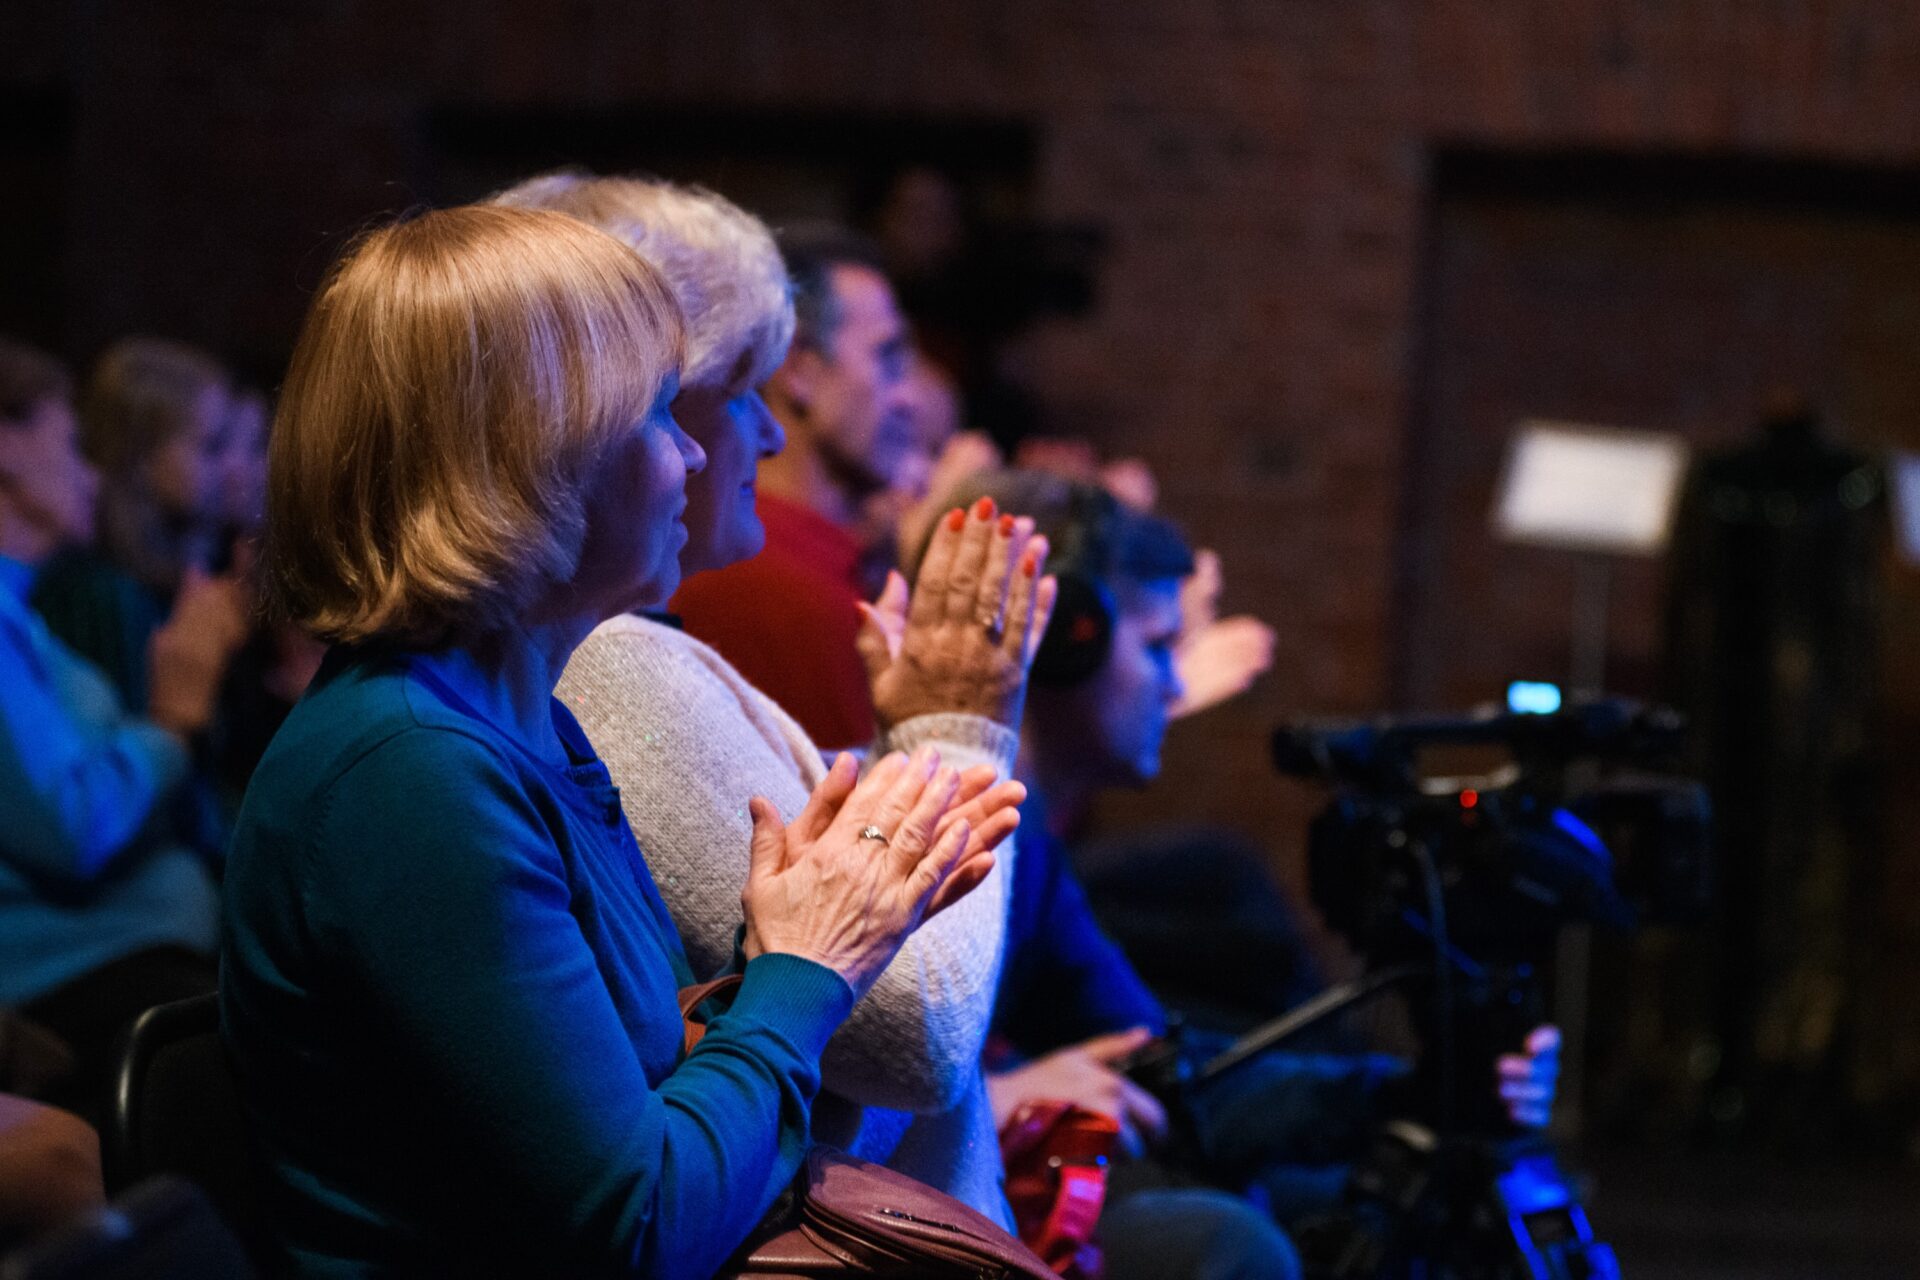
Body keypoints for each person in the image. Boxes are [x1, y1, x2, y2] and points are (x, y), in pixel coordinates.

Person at [219, 204, 1012, 1278]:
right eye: (656, 412)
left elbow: (646, 1080)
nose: (694, 450)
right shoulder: (407, 773)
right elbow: (641, 1227)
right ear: (528, 459)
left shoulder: (520, 719)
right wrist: (808, 966)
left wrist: (777, 948)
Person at [495, 172, 1052, 1223]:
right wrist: (960, 730)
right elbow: (911, 1034)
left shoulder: (593, 663)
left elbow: (797, 1038)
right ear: (580, 422)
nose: (755, 434)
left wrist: (908, 744)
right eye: (716, 392)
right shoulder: (610, 665)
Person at [936, 471, 1560, 1231]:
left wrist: (1422, 1092)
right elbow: (834, 1077)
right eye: (1159, 647)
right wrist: (992, 1099)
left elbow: (1178, 1081)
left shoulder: (1031, 859)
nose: (1175, 685)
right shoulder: (923, 822)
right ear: (1066, 641)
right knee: (1227, 1241)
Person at [0, 337, 225, 1119]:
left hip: (133, 974)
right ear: (7, 448)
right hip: (86, 993)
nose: (91, 475)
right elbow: (71, 821)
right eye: (68, 444)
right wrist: (173, 718)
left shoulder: (22, 614)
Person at [670, 227, 918, 747]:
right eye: (887, 358)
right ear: (801, 368)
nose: (908, 399)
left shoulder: (839, 559)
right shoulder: (773, 585)